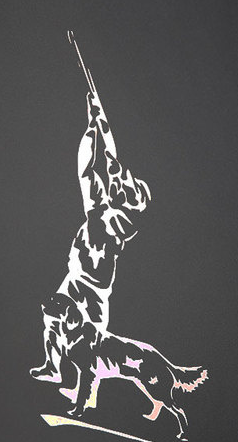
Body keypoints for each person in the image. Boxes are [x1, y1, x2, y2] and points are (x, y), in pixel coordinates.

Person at [30, 89, 151, 386]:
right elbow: (86, 170)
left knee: (91, 344)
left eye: (125, 189)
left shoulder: (122, 221)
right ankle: (53, 367)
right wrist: (92, 129)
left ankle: (89, 388)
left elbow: (105, 177)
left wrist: (105, 145)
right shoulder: (100, 210)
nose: (119, 185)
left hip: (95, 294)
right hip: (74, 280)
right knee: (51, 321)